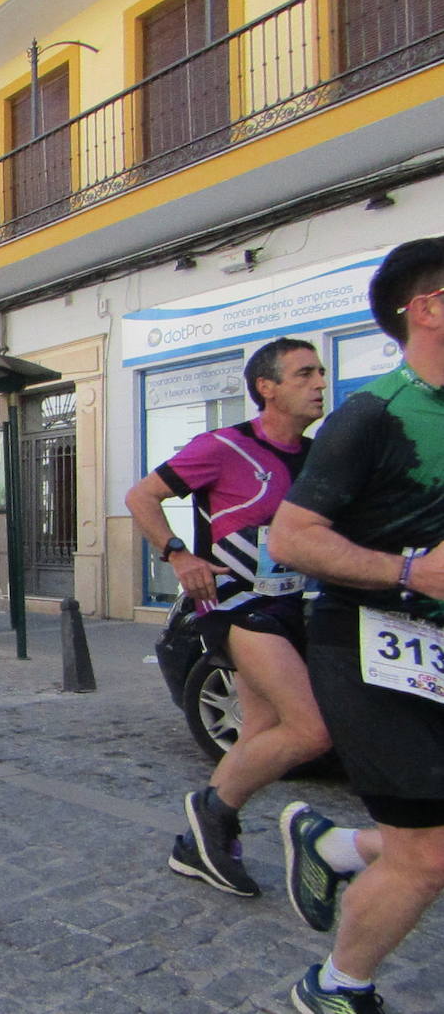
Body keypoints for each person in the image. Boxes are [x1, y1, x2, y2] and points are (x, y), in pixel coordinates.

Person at [126, 338, 380, 903]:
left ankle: (202, 842)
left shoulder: (317, 457)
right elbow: (142, 495)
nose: (320, 383)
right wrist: (178, 555)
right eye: (304, 374)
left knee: (263, 732)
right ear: (267, 387)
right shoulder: (223, 446)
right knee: (311, 730)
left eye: (321, 372)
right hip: (237, 603)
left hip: (292, 605)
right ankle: (208, 810)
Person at [267, 237, 444, 1013]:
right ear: (428, 308)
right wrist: (409, 571)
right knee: (427, 855)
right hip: (369, 647)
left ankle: (335, 845)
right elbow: (291, 537)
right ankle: (336, 987)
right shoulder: (373, 414)